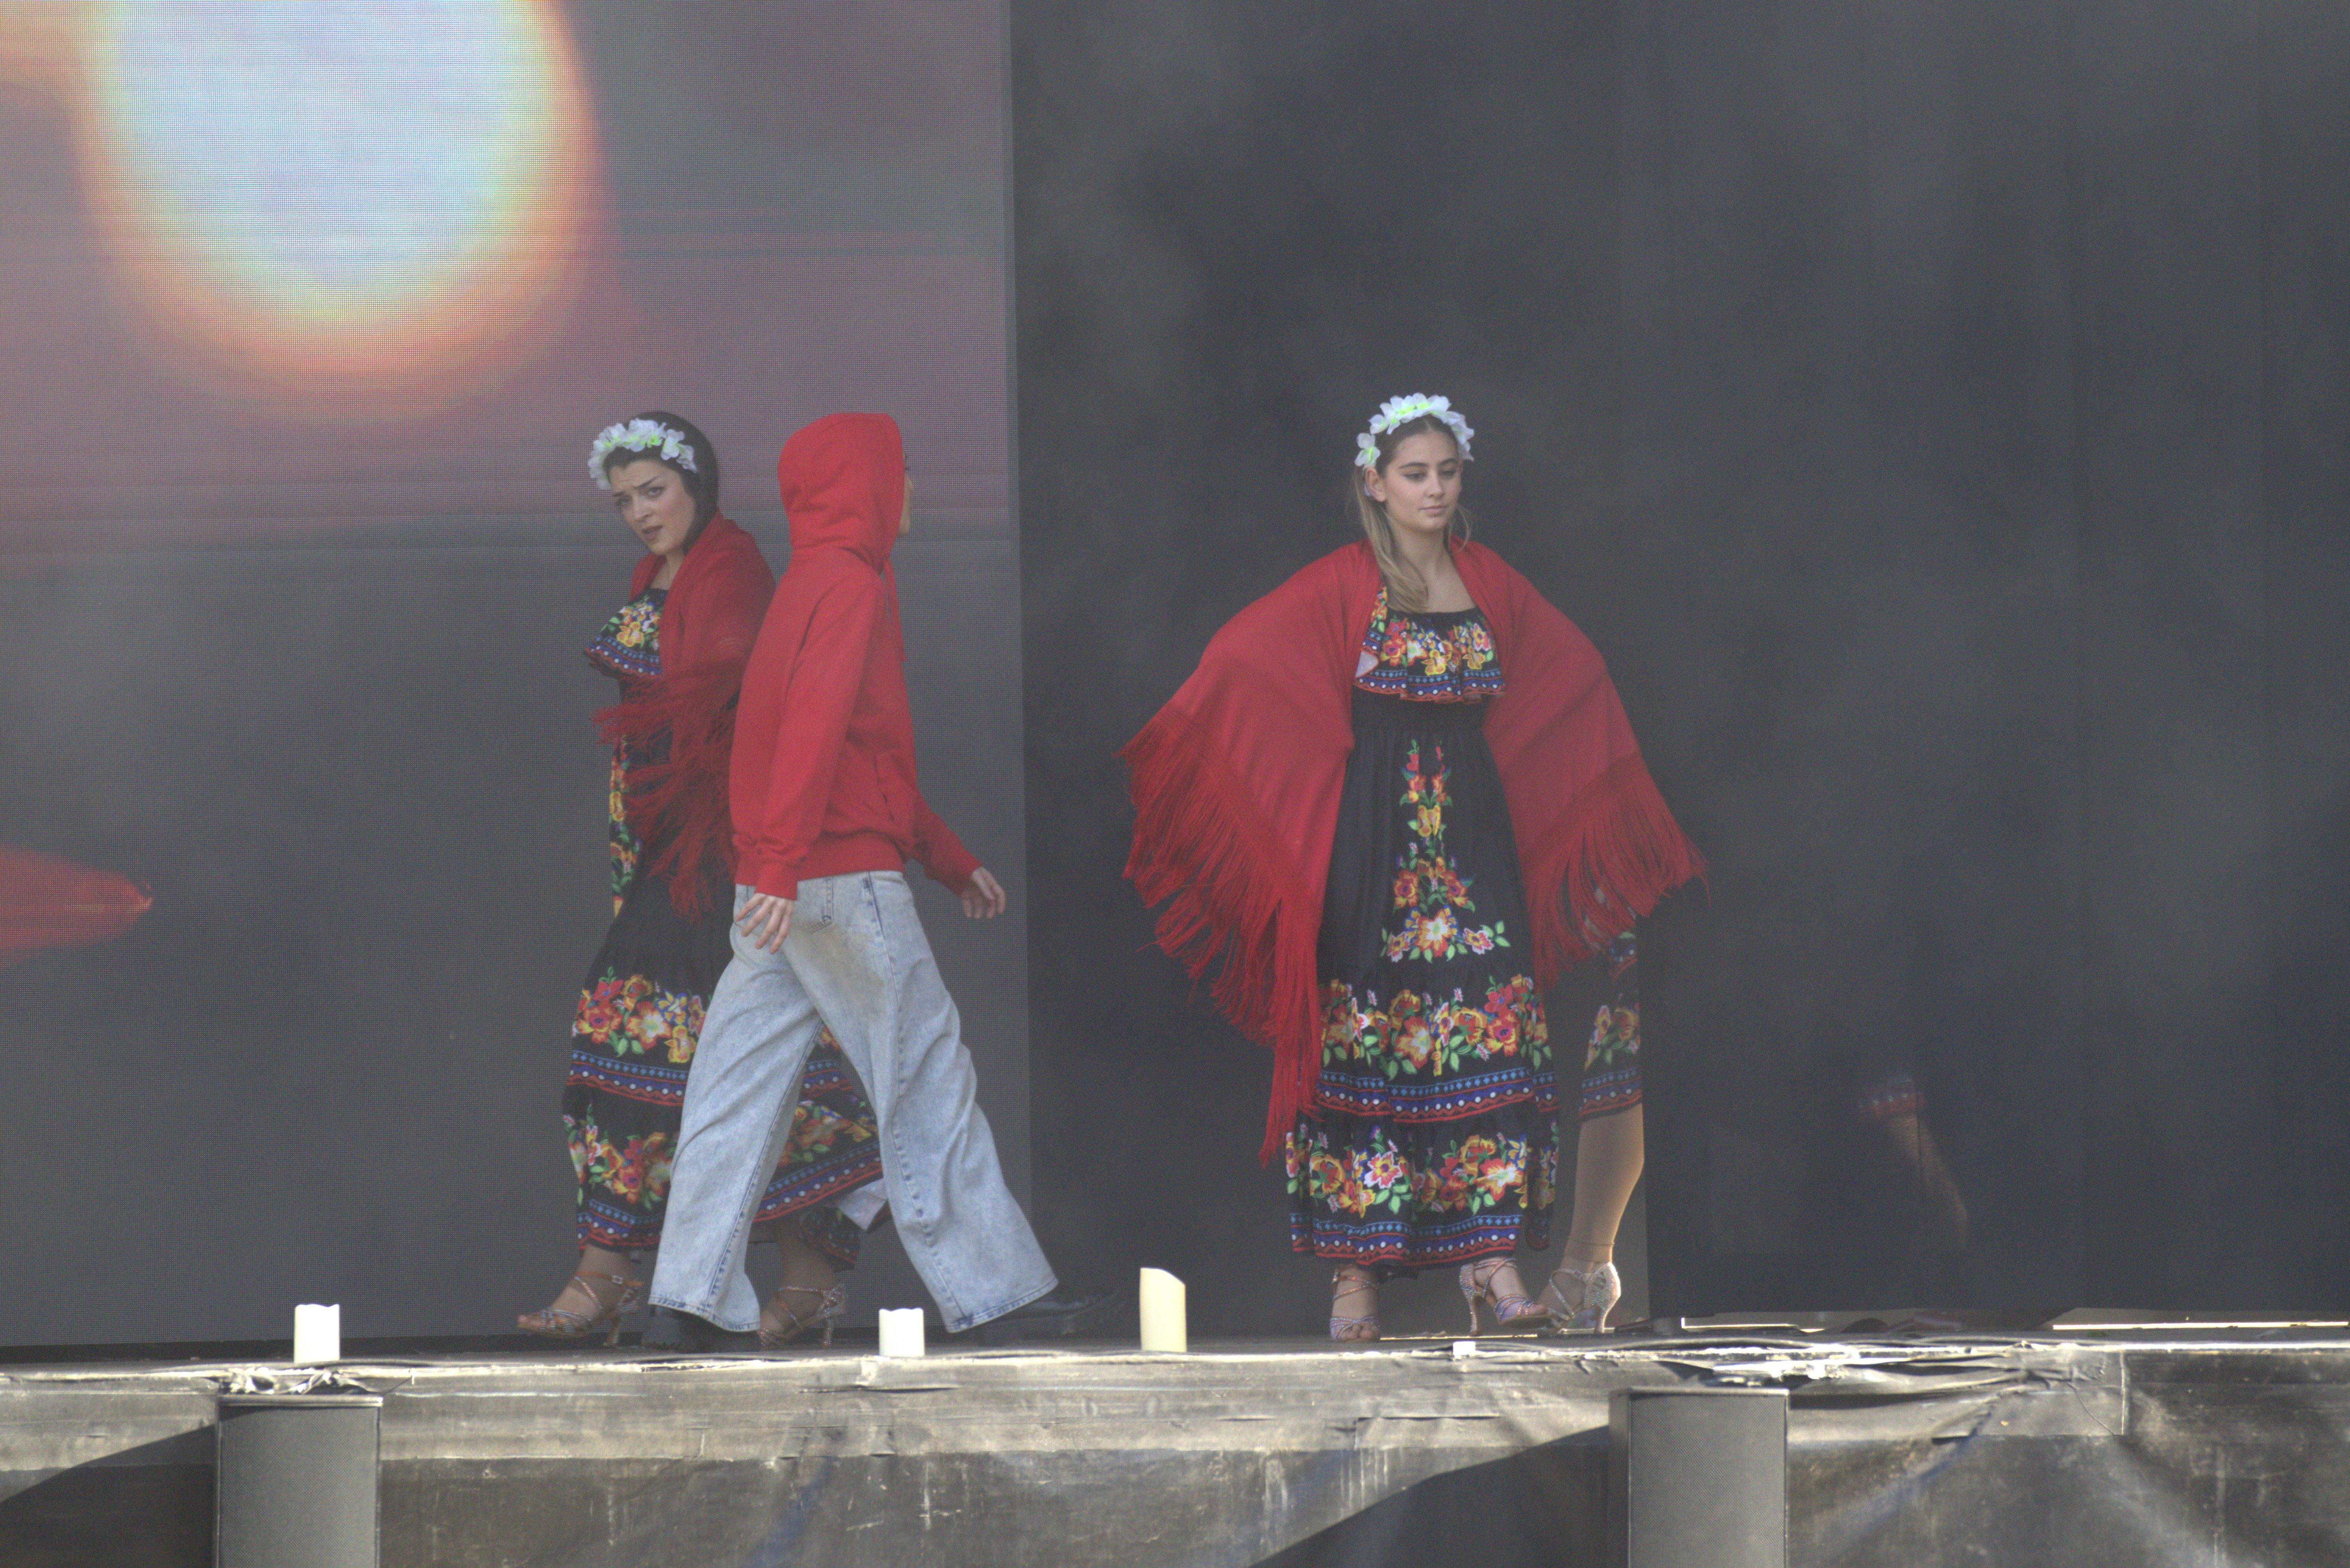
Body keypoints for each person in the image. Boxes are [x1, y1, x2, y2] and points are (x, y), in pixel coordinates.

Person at [1122, 394, 1703, 1338]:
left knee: (1490, 1036)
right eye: (1415, 474)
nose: (1434, 490)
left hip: (1472, 850)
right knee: (1366, 1044)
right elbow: (1240, 665)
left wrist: (1601, 818)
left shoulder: (1489, 581)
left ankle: (1490, 1262)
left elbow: (1573, 675)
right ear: (1375, 484)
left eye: (1447, 473)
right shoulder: (1342, 586)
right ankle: (1354, 1280)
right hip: (1373, 850)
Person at [649, 412, 1091, 1344]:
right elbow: (813, 727)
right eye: (902, 469)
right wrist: (783, 861)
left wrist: (944, 857)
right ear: (866, 484)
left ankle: (687, 1301)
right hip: (831, 883)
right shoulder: (851, 584)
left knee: (732, 1094)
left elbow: (852, 756)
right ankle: (995, 1295)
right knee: (926, 1076)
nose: (913, 487)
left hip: (779, 891)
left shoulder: (807, 586)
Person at [518, 412, 887, 1348]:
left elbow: (747, 693)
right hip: (668, 839)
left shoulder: (732, 569)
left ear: (698, 485)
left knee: (643, 1028)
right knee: (710, 1046)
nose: (641, 513)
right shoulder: (660, 576)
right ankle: (787, 1283)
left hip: (717, 844)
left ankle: (620, 1272)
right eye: (624, 501)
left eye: (655, 492)